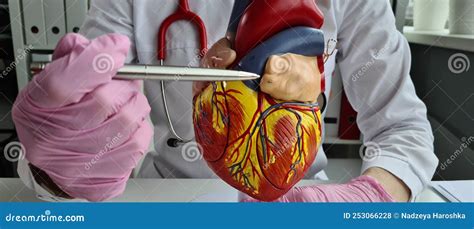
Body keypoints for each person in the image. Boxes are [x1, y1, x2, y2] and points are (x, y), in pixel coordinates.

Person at [12, 0, 438, 202]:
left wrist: (371, 198)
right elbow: (78, 92)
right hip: (168, 199)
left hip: (303, 200)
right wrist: (60, 168)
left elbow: (402, 129)